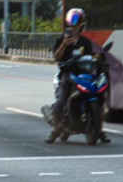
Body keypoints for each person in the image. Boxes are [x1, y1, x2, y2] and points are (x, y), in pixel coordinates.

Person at [43, 8, 111, 144]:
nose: (74, 27)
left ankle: (100, 129)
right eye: (72, 24)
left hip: (84, 74)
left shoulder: (85, 42)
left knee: (99, 97)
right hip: (67, 74)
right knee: (60, 102)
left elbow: (89, 57)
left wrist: (98, 58)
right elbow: (56, 58)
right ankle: (56, 130)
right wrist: (64, 44)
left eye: (77, 24)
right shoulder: (61, 40)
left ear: (82, 24)